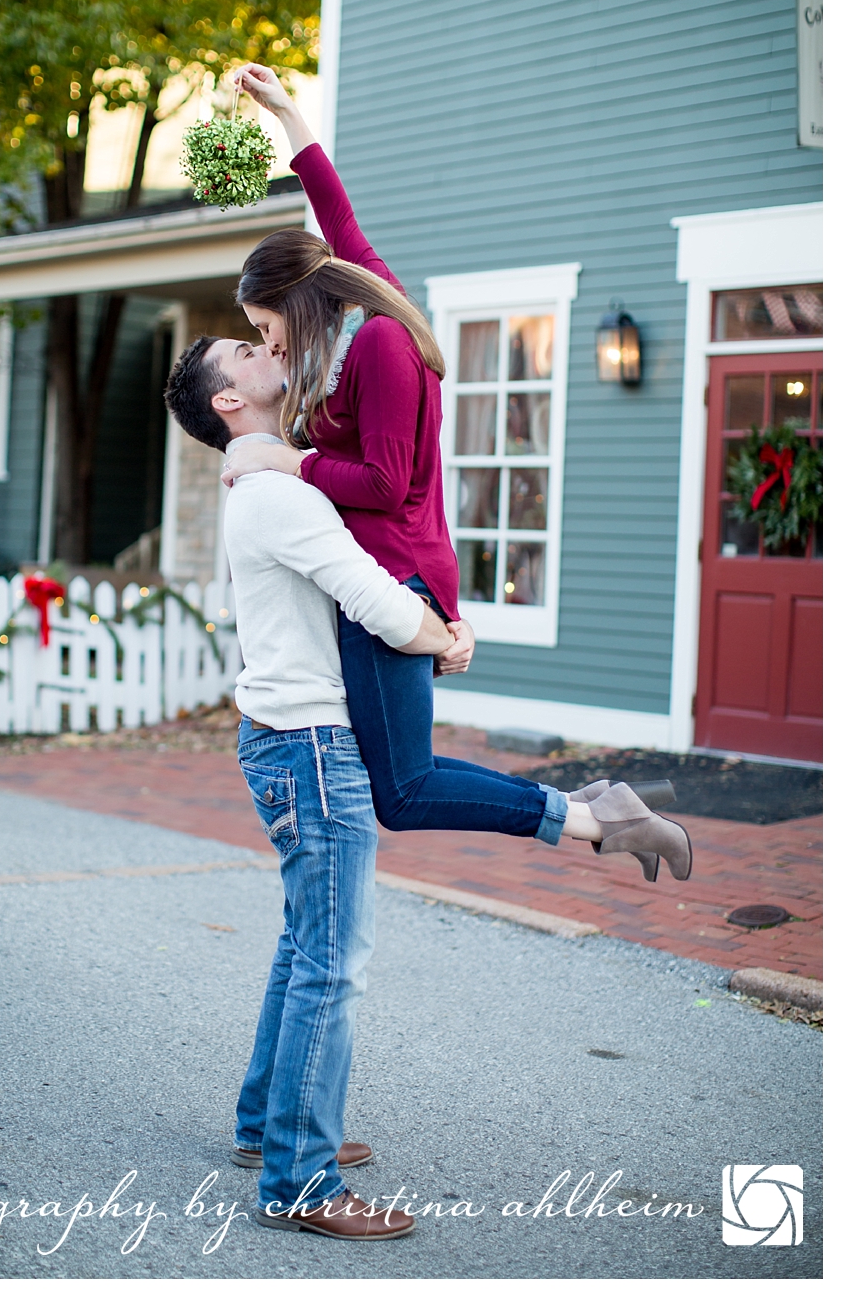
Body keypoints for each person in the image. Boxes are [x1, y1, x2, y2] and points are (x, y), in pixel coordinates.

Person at [208, 63, 692, 885]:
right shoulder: (358, 316)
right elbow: (338, 213)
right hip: (390, 574)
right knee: (397, 776)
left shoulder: (382, 345)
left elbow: (386, 485)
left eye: (267, 327)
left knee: (404, 787)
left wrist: (289, 460)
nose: (272, 345)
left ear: (300, 303)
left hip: (395, 576)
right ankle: (596, 815)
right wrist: (290, 112)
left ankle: (598, 820)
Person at [164, 332, 441, 1241]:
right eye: (245, 350)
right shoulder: (280, 494)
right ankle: (301, 1181)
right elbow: (375, 599)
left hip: (283, 740)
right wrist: (448, 635)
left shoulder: (262, 486)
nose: (265, 348)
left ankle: (266, 1130)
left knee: (304, 946)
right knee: (332, 962)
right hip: (313, 749)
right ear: (228, 402)